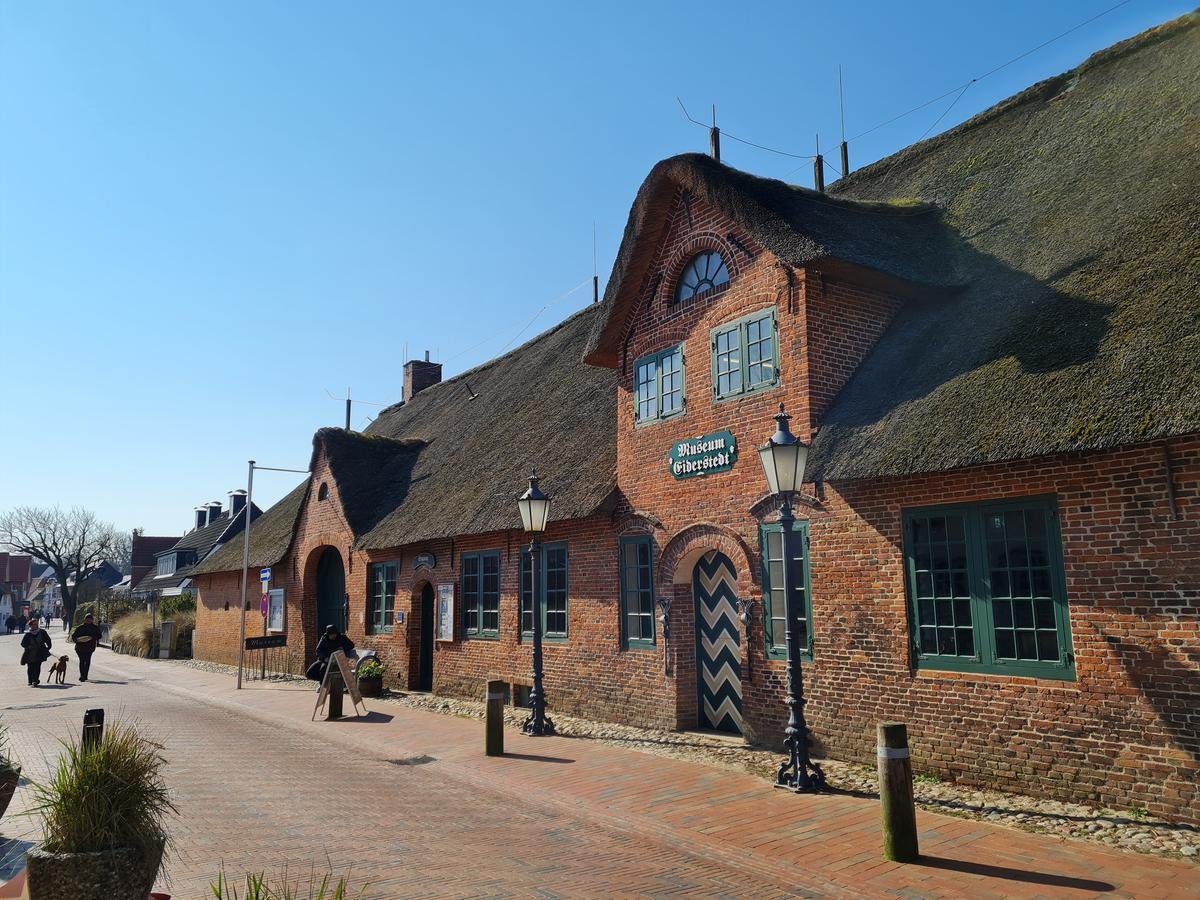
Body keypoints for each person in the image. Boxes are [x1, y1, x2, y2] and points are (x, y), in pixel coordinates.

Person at [70, 612, 102, 682]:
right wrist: (77, 640)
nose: (89, 620)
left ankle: (85, 675)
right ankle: (82, 675)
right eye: (87, 619)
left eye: (90, 619)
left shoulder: (95, 628)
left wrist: (92, 637)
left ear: (92, 620)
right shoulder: (80, 627)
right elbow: (73, 636)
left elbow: (99, 636)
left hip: (90, 647)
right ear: (85, 619)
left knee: (87, 661)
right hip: (80, 647)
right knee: (82, 661)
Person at [20, 617, 52, 687]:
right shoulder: (28, 634)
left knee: (37, 667)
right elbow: (22, 643)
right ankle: (30, 680)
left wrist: (48, 648)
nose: (36, 625)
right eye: (34, 624)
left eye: (37, 624)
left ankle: (35, 680)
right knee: (30, 667)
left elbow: (48, 640)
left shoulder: (42, 632)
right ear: (31, 625)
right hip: (29, 654)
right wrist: (28, 647)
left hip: (39, 653)